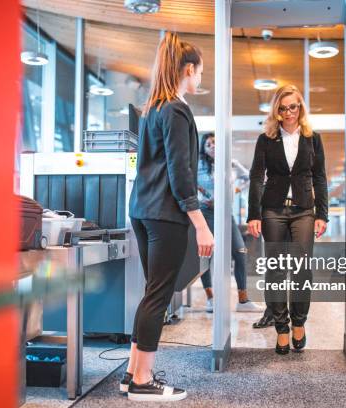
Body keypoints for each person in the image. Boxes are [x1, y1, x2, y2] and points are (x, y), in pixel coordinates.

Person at [124, 32, 214, 401]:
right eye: (199, 74)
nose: (199, 81)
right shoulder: (176, 110)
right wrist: (201, 223)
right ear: (187, 69)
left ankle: (132, 373)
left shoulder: (152, 110)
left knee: (152, 293)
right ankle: (143, 382)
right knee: (158, 295)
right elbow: (180, 173)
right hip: (165, 214)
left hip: (142, 211)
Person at [247, 84, 329, 354]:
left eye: (293, 106)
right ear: (277, 112)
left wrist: (322, 214)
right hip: (273, 210)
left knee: (302, 270)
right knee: (276, 270)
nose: (288, 112)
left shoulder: (312, 138)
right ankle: (281, 328)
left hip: (304, 210)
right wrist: (254, 214)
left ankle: (299, 323)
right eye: (282, 108)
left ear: (300, 107)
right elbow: (257, 177)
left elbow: (319, 177)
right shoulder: (266, 139)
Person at [197, 133, 264, 313]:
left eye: (215, 143)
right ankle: (211, 298)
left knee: (240, 251)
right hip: (206, 213)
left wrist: (235, 189)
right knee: (206, 255)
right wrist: (202, 194)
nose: (212, 146)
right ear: (203, 147)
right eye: (208, 144)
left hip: (226, 213)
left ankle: (243, 300)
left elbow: (248, 177)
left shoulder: (231, 163)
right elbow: (188, 183)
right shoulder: (197, 165)